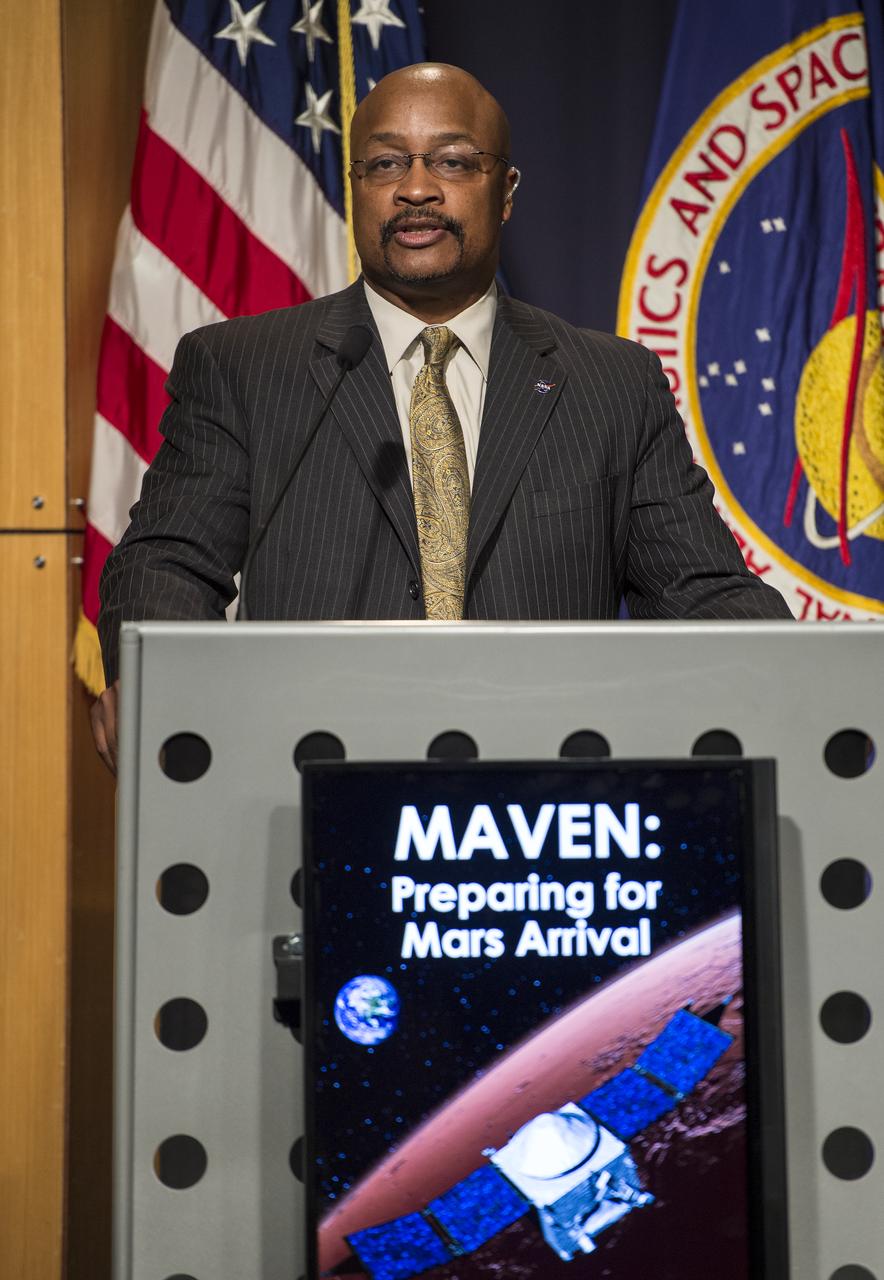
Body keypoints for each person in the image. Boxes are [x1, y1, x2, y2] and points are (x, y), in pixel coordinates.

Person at [91, 62, 792, 772]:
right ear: (356, 187)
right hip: (307, 779)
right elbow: (167, 562)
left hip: (545, 789)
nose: (416, 189)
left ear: (506, 191)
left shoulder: (611, 383)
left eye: (453, 161)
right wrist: (160, 686)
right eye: (385, 164)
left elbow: (700, 591)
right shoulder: (245, 367)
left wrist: (807, 682)